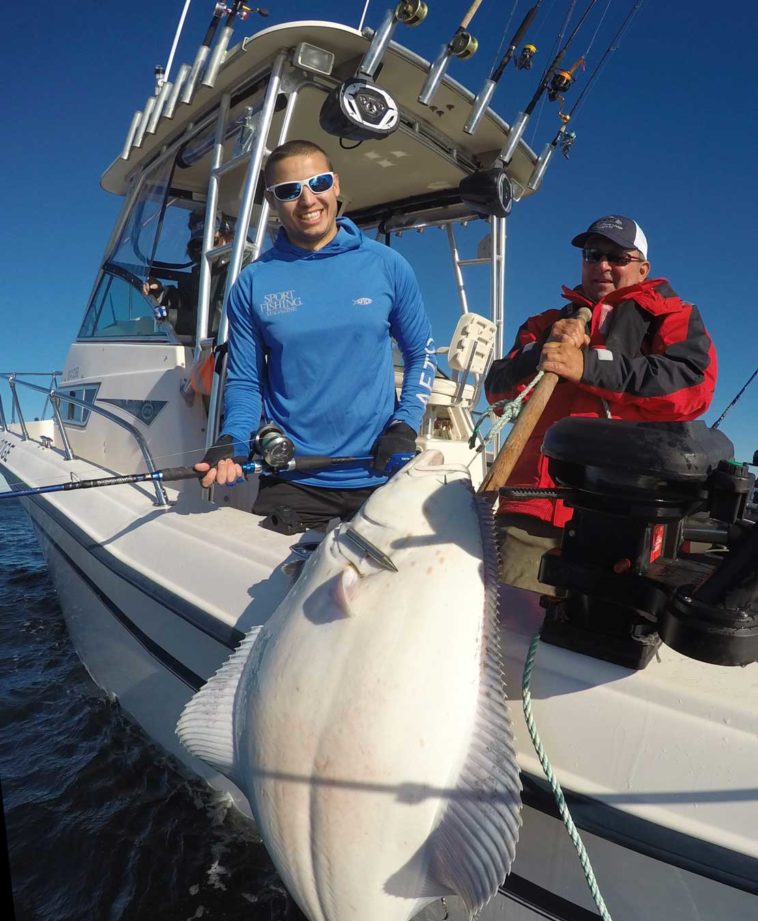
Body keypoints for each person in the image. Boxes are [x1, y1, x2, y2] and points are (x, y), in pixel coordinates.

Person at [195, 138, 436, 533]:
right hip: (293, 479)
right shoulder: (252, 284)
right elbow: (244, 381)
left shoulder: (387, 266)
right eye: (289, 191)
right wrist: (233, 440)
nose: (308, 200)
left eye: (318, 183)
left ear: (336, 185)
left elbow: (422, 354)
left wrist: (404, 426)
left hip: (379, 475)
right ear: (272, 203)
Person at [484, 214, 717, 593]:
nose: (602, 266)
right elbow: (496, 391)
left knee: (598, 634)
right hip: (534, 508)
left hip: (625, 514)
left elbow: (692, 387)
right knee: (509, 627)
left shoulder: (672, 317)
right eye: (593, 255)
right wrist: (541, 351)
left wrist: (589, 366)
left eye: (618, 257)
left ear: (643, 268)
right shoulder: (544, 324)